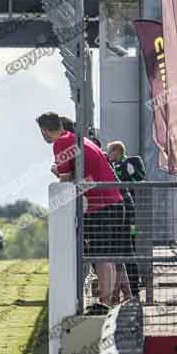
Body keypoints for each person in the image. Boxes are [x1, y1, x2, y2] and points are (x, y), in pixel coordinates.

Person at [36, 112, 131, 314]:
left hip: (100, 206)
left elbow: (65, 181)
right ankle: (110, 302)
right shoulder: (80, 139)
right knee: (109, 256)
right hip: (115, 202)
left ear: (44, 130)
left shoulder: (61, 142)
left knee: (101, 257)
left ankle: (104, 304)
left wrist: (56, 172)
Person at [107, 140, 145, 297]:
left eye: (110, 152)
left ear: (117, 151)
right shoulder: (113, 166)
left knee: (131, 246)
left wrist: (129, 171)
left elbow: (138, 179)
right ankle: (123, 289)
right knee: (123, 249)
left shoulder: (131, 162)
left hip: (131, 214)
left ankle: (133, 287)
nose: (109, 155)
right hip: (120, 213)